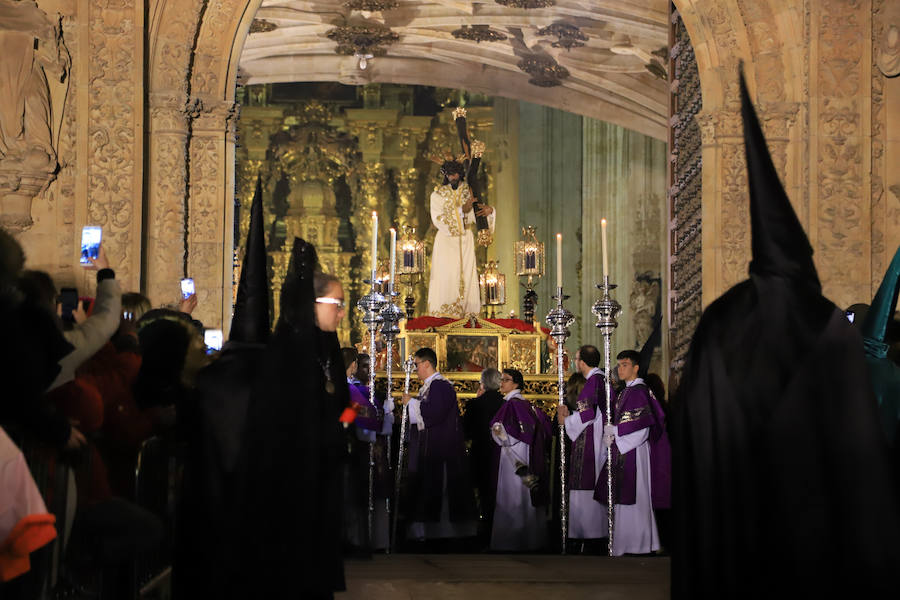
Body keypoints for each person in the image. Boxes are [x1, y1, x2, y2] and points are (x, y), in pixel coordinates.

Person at [670, 71, 900, 597]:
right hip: (806, 545)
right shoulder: (819, 324)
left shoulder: (718, 322)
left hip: (724, 536)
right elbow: (858, 457)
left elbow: (690, 427)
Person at [238, 238, 347, 599]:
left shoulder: (329, 349)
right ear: (312, 304)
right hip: (292, 472)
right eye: (337, 304)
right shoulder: (286, 349)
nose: (342, 312)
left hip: (323, 468)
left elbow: (344, 405)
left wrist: (344, 422)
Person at [595, 349, 669, 556]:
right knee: (623, 499)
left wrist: (616, 432)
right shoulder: (626, 391)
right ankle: (627, 543)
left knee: (635, 498)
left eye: (625, 364)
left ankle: (638, 544)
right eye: (618, 365)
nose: (620, 369)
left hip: (634, 452)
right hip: (625, 449)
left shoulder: (638, 392)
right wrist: (611, 436)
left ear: (636, 368)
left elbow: (642, 428)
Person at [400, 347, 477, 546]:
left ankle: (442, 534)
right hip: (432, 447)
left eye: (416, 365)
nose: (415, 369)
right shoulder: (429, 387)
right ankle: (428, 532)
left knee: (440, 491)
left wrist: (411, 403)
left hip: (441, 450)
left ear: (427, 364)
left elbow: (433, 414)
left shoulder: (440, 386)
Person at [555, 345, 615, 550]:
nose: (575, 362)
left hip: (593, 438)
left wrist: (566, 420)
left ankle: (590, 533)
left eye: (577, 358)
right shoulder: (599, 379)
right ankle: (590, 533)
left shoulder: (594, 380)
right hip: (596, 435)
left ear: (582, 362)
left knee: (588, 480)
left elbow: (587, 415)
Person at [489, 368, 551, 551]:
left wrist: (495, 431)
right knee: (526, 497)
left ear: (516, 383)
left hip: (512, 458)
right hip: (528, 455)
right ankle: (531, 539)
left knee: (513, 496)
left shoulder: (511, 405)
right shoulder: (528, 405)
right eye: (501, 379)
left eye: (506, 380)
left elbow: (505, 434)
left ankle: (511, 541)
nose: (502, 383)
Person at [426, 158, 495, 317]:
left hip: (465, 239)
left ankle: (469, 314)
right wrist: (461, 210)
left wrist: (489, 212)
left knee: (467, 274)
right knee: (447, 276)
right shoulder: (437, 195)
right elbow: (438, 218)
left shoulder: (470, 191)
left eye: (455, 173)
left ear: (461, 173)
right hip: (445, 241)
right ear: (445, 175)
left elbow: (478, 216)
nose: (453, 177)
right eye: (450, 174)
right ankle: (444, 314)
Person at [463, 367, 504, 545]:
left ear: (483, 383)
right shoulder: (505, 403)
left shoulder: (475, 404)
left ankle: (481, 532)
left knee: (481, 492)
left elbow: (466, 431)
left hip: (480, 452)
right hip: (501, 454)